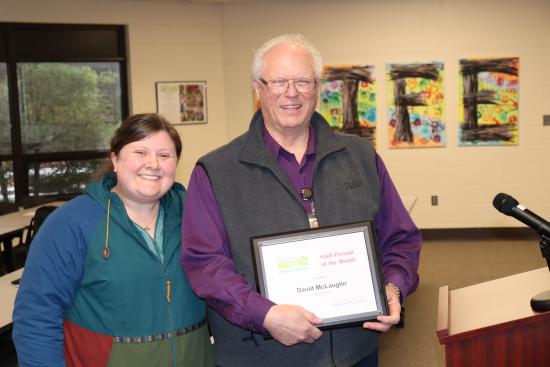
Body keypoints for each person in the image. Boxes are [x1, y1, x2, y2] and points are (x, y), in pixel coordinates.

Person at [181, 34, 421, 367]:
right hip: (260, 356)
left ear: (318, 86)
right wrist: (265, 315)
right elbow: (205, 263)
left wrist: (393, 285)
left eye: (302, 81)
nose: (291, 93)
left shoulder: (360, 156)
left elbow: (400, 238)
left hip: (355, 354)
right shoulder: (216, 171)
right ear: (258, 87)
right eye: (278, 81)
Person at [13, 113, 213, 366]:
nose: (153, 164)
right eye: (140, 152)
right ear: (115, 159)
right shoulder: (71, 223)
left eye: (165, 155)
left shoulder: (197, 216)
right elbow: (36, 315)